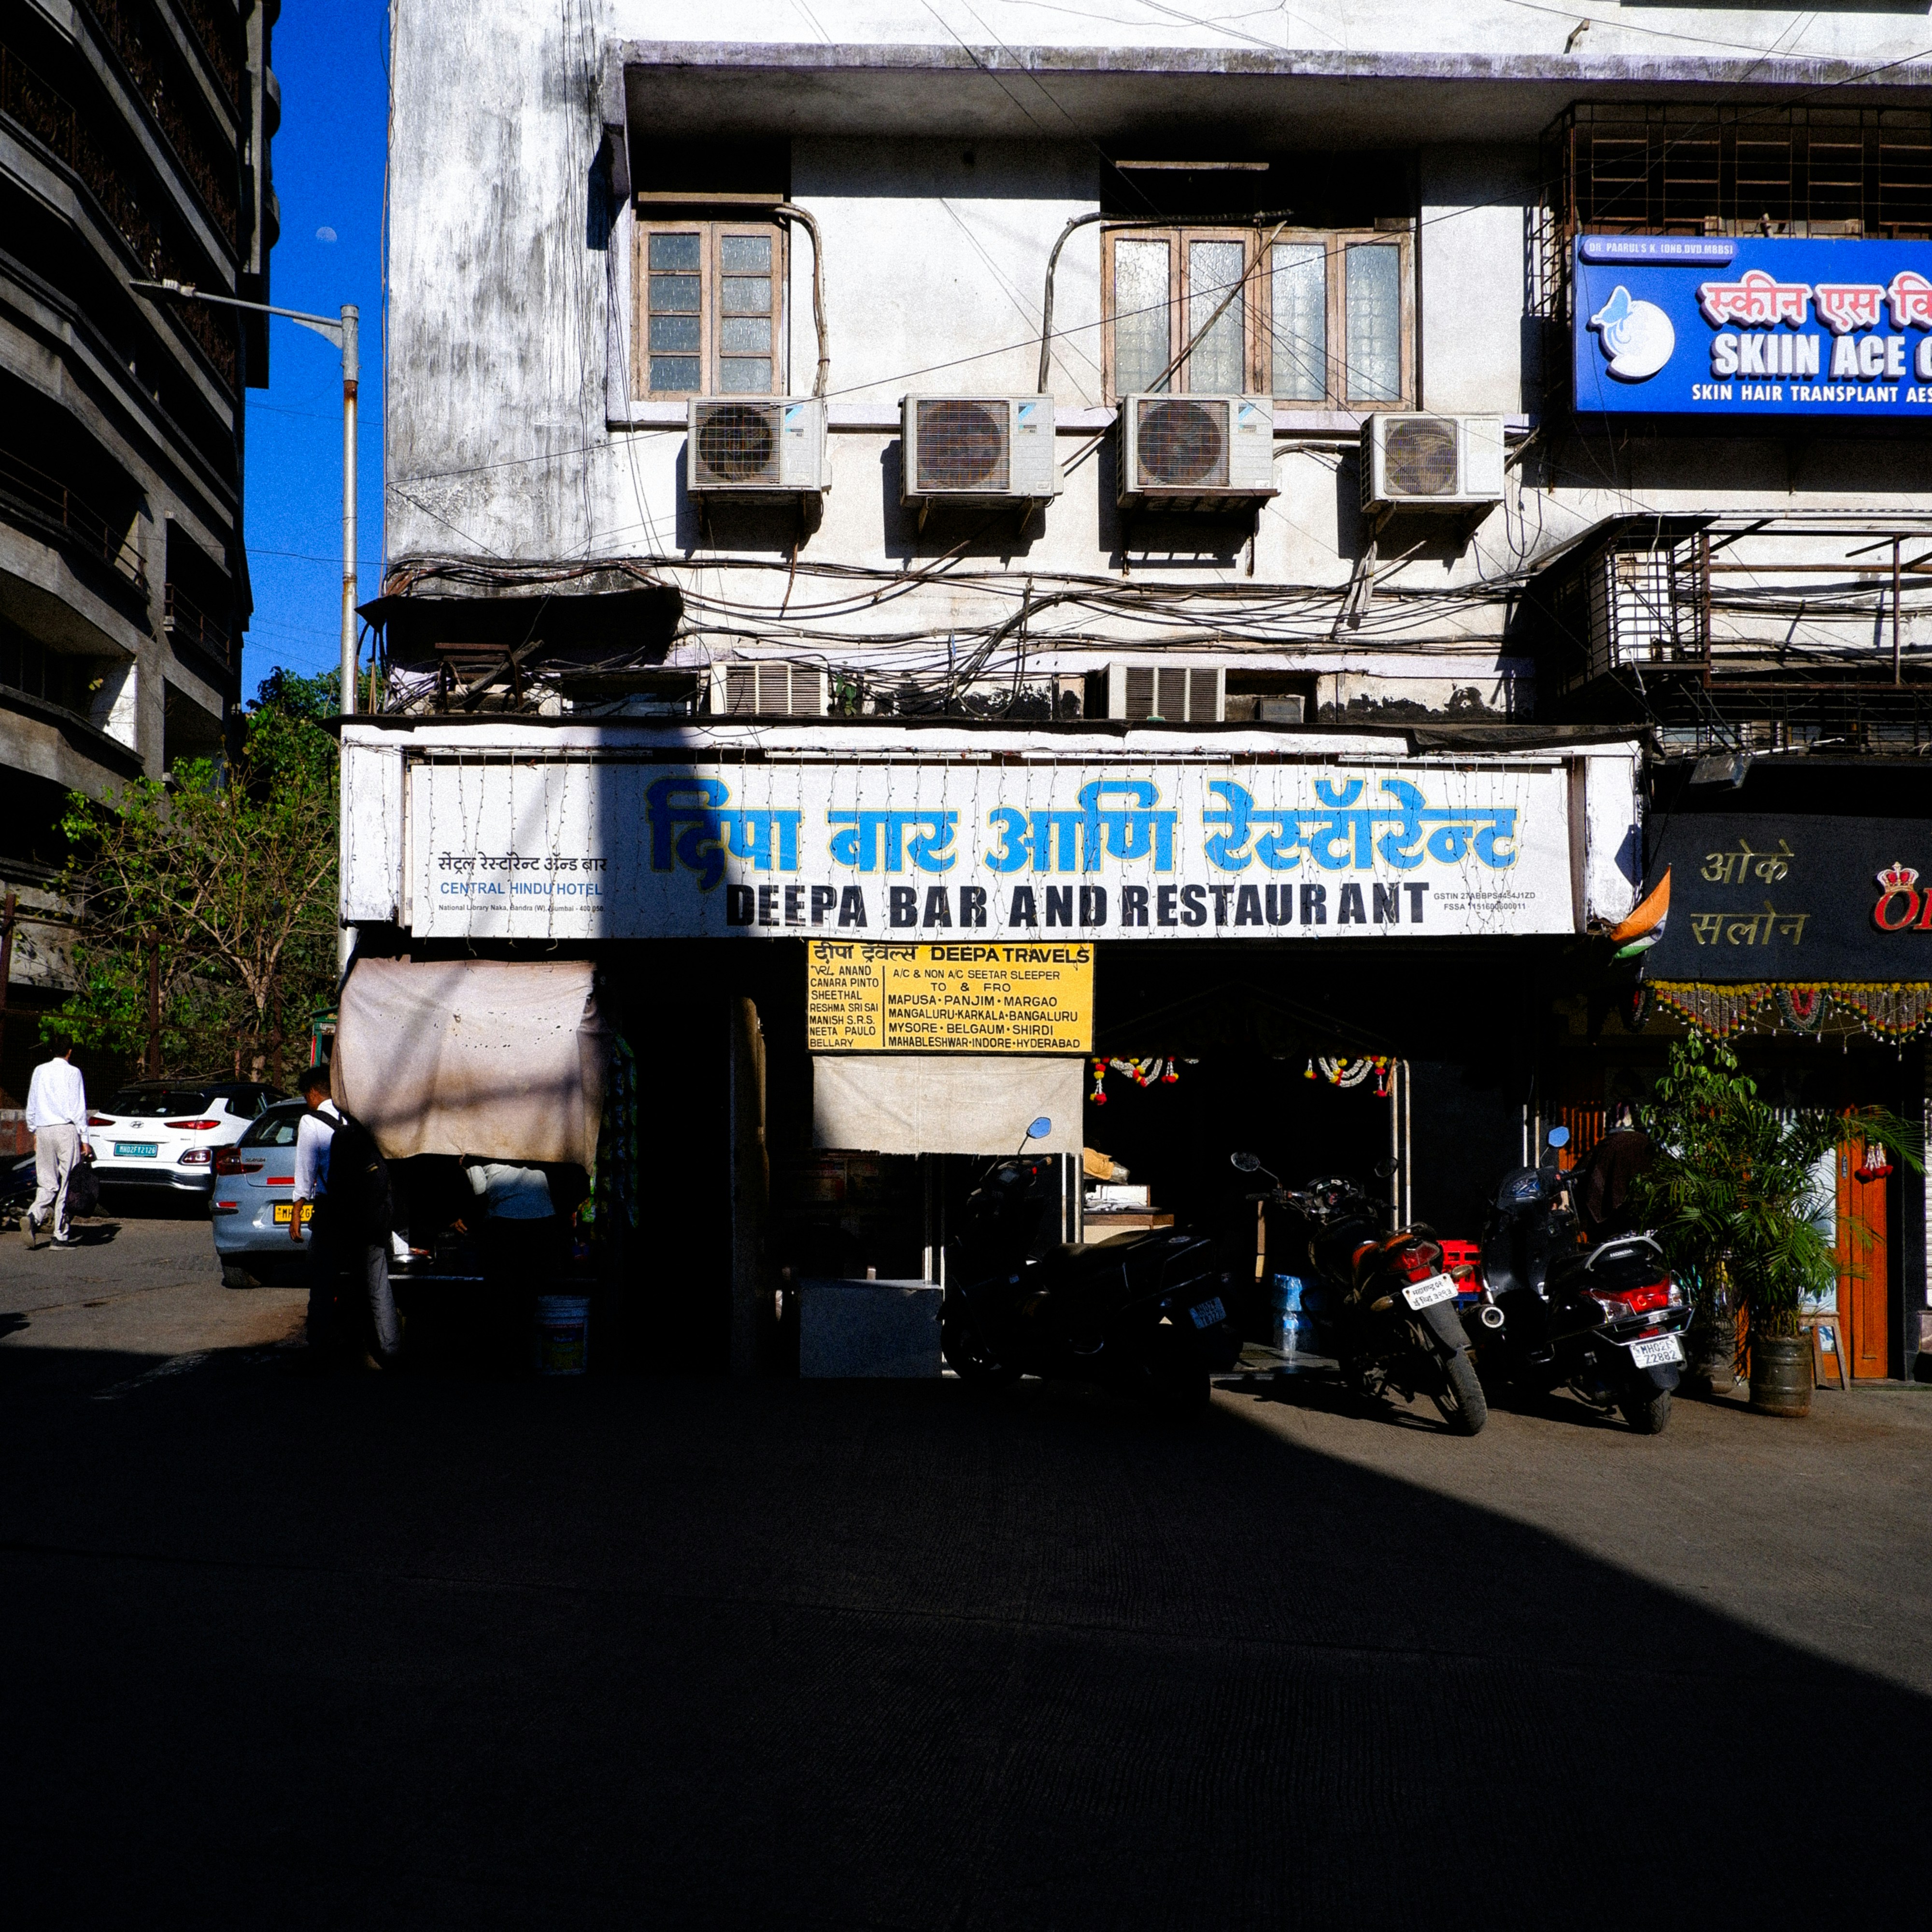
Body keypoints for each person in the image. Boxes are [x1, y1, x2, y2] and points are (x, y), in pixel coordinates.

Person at [292, 1062, 399, 1367]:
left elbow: (306, 1170)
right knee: (377, 1284)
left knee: (324, 1281)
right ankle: (391, 1352)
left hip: (333, 1213)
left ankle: (319, 1352)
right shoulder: (357, 1117)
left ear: (313, 1093)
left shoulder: (310, 1121)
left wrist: (297, 1210)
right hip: (369, 1211)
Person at [462, 1157, 565, 1368]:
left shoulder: (475, 1145)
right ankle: (528, 1358)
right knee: (530, 1294)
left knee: (504, 1296)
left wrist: (467, 1166)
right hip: (543, 1218)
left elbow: (480, 1190)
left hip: (505, 1221)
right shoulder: (530, 1133)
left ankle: (508, 1361)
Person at [24, 1038, 92, 1250]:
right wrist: (85, 1139)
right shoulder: (73, 1073)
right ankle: (60, 1236)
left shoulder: (39, 1071)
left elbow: (32, 1103)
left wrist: (33, 1129)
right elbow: (79, 1108)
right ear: (70, 1052)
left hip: (44, 1129)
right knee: (68, 1182)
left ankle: (34, 1217)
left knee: (46, 1181)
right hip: (66, 1129)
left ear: (52, 1051)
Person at [1574, 1104, 1654, 1246]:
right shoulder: (1648, 1147)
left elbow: (1582, 1185)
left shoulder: (1605, 1148)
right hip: (1648, 1229)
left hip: (1611, 1235)